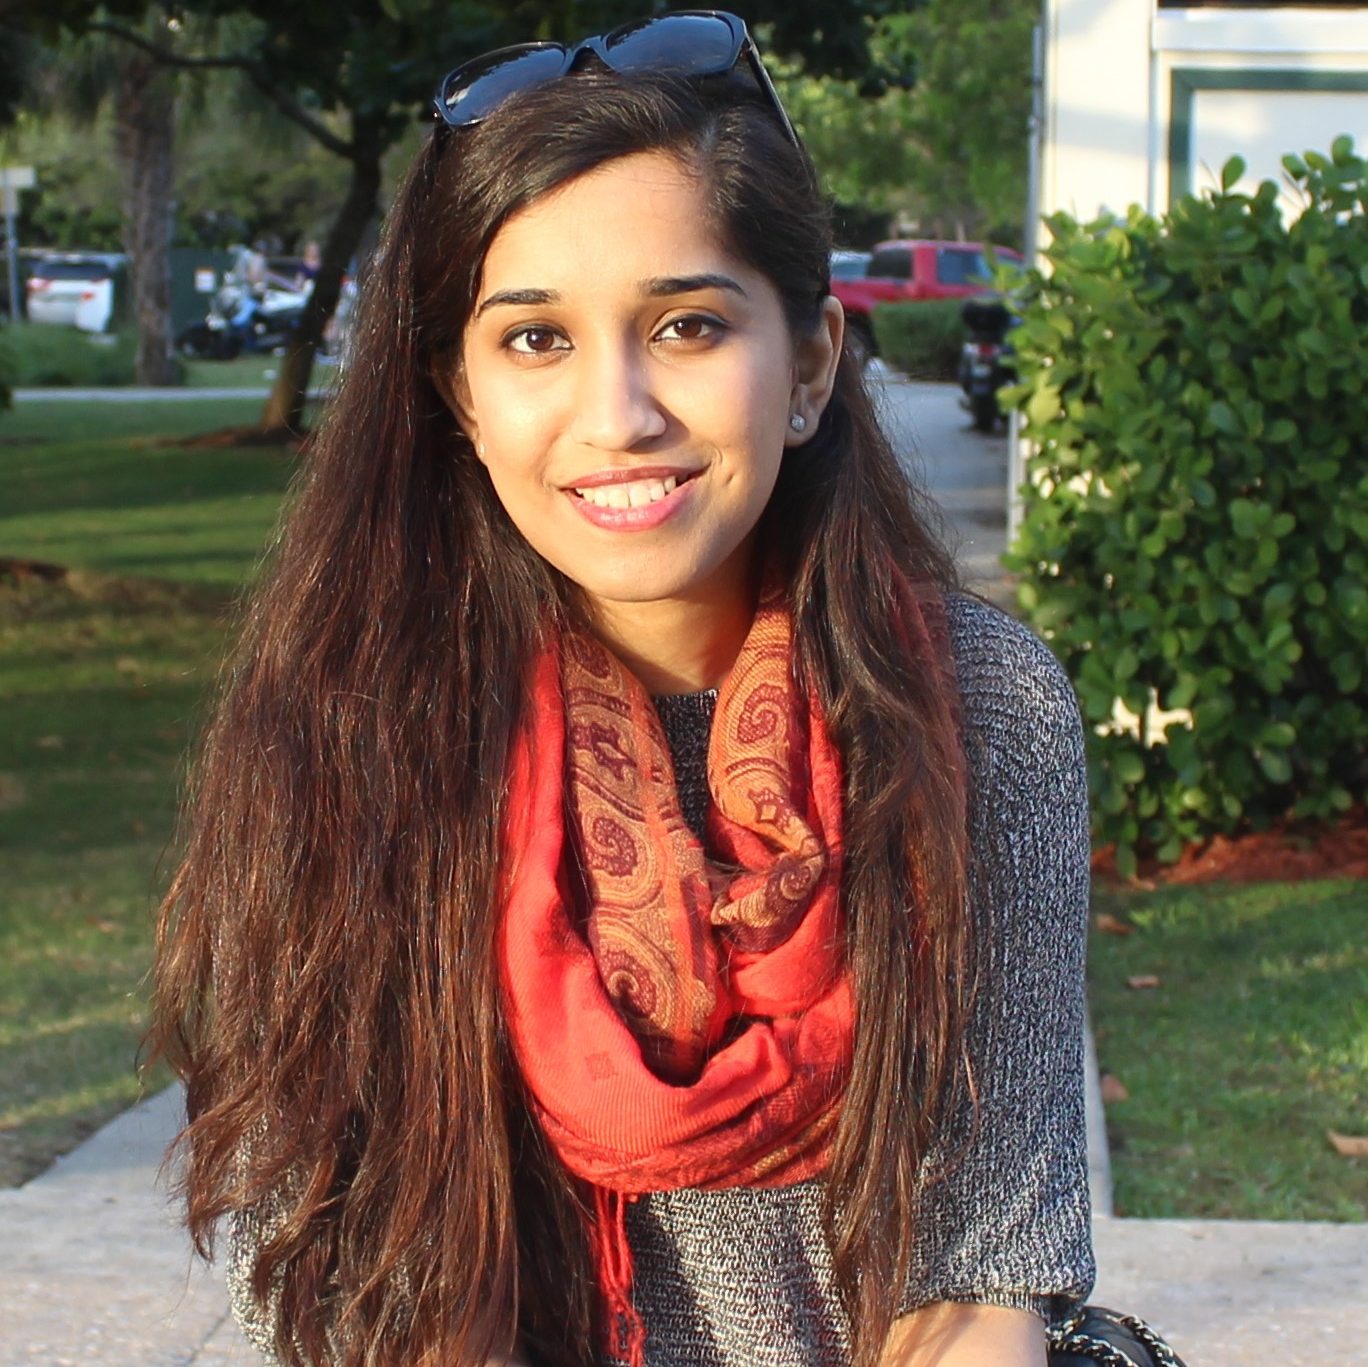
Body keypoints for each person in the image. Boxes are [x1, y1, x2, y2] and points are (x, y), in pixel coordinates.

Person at [150, 12, 1094, 1367]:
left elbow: (980, 1281)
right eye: (536, 341)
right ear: (461, 397)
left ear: (815, 363)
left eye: (689, 325)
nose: (621, 412)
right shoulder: (362, 731)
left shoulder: (976, 709)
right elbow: (354, 1296)